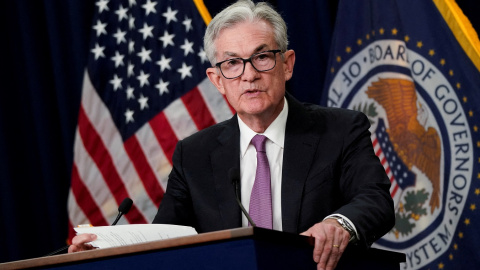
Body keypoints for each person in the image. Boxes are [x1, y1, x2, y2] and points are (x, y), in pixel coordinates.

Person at [69, 1, 395, 269]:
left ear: (288, 64)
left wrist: (338, 224)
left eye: (262, 57)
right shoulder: (194, 154)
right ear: (217, 79)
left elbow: (376, 200)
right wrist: (103, 253)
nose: (249, 75)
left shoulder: (339, 129)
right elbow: (167, 238)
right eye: (232, 64)